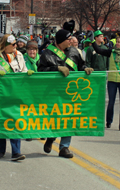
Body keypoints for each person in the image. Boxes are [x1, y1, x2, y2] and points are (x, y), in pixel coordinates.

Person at [37, 29, 92, 159]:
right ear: (61, 41)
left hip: (71, 92)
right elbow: (41, 71)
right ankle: (51, 137)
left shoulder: (74, 52)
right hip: (53, 92)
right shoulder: (47, 53)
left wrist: (85, 69)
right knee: (55, 118)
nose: (71, 41)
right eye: (68, 39)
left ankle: (64, 147)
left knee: (69, 118)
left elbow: (81, 65)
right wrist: (56, 69)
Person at [0, 34, 29, 161]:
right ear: (5, 45)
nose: (15, 46)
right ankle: (1, 150)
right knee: (0, 123)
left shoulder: (19, 56)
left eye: (15, 44)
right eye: (13, 44)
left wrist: (27, 74)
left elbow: (23, 70)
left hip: (15, 94)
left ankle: (16, 151)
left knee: (15, 122)